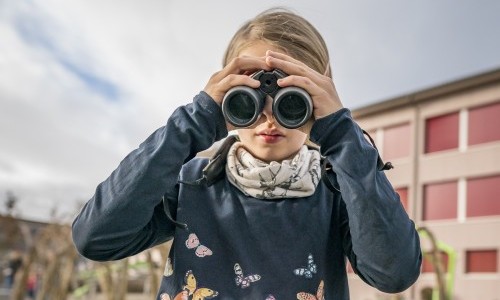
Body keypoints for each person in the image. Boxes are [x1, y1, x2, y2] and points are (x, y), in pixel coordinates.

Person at [72, 8, 422, 299]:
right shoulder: (193, 182)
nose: (269, 115)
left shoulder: (338, 189)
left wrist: (342, 135)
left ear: (320, 97)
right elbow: (97, 237)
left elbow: (394, 273)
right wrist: (195, 121)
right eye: (250, 93)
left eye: (291, 96)